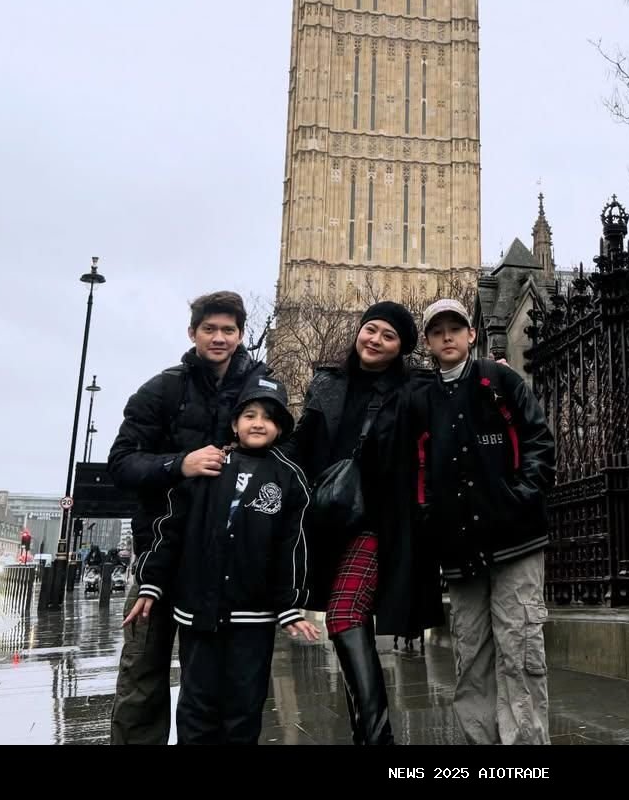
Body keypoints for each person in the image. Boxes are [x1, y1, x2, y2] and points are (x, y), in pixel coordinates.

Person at [107, 291, 272, 745]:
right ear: (192, 333)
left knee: (217, 686)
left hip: (227, 560)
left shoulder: (260, 389)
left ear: (240, 334)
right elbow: (121, 463)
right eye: (209, 329)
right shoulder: (163, 389)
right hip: (160, 551)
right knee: (143, 673)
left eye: (228, 330)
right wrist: (180, 463)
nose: (219, 338)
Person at [124, 375, 320, 744]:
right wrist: (152, 582)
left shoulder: (288, 478)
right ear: (234, 423)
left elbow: (291, 548)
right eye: (250, 415)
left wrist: (289, 606)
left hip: (253, 616)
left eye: (269, 417)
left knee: (244, 707)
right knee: (196, 706)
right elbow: (170, 529)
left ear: (280, 428)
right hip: (199, 613)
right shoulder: (207, 464)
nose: (258, 423)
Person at [284, 302, 443, 746]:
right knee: (346, 617)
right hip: (330, 519)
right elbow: (301, 443)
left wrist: (491, 379)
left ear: (401, 348)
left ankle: (377, 738)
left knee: (345, 613)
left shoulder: (414, 389)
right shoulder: (326, 383)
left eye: (388, 336)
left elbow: (453, 414)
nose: (375, 340)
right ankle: (370, 735)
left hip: (380, 521)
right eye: (370, 329)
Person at [410, 298, 555, 746]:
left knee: (519, 649)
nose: (447, 337)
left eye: (455, 328)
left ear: (471, 334)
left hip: (515, 540)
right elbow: (417, 471)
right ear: (428, 342)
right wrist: (432, 521)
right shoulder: (422, 400)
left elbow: (538, 439)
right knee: (470, 655)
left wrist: (522, 497)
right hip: (459, 550)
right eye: (438, 331)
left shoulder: (500, 380)